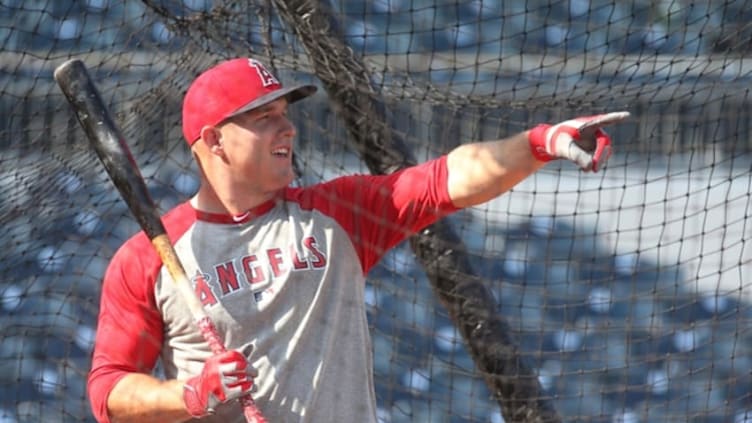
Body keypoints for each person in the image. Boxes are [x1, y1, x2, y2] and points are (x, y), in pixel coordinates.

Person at [86, 57, 629, 423]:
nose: (288, 128)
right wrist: (186, 393)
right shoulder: (148, 258)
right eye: (265, 118)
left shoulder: (335, 215)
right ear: (213, 141)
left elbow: (449, 179)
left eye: (286, 114)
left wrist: (542, 141)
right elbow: (107, 393)